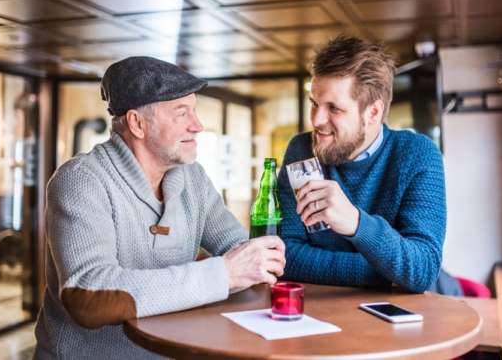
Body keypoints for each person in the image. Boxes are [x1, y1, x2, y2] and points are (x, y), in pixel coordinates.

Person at [34, 56, 285, 359]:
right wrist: (222, 274)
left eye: (194, 110)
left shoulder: (192, 177)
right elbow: (88, 296)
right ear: (137, 124)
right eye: (182, 113)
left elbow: (237, 246)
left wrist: (253, 260)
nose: (198, 125)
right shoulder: (81, 180)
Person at [277, 35, 446, 293]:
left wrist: (356, 223)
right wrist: (388, 274)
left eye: (334, 108)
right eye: (314, 104)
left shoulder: (417, 155)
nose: (317, 120)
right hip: (313, 312)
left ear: (373, 112)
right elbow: (284, 255)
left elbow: (423, 269)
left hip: (394, 316)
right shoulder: (301, 150)